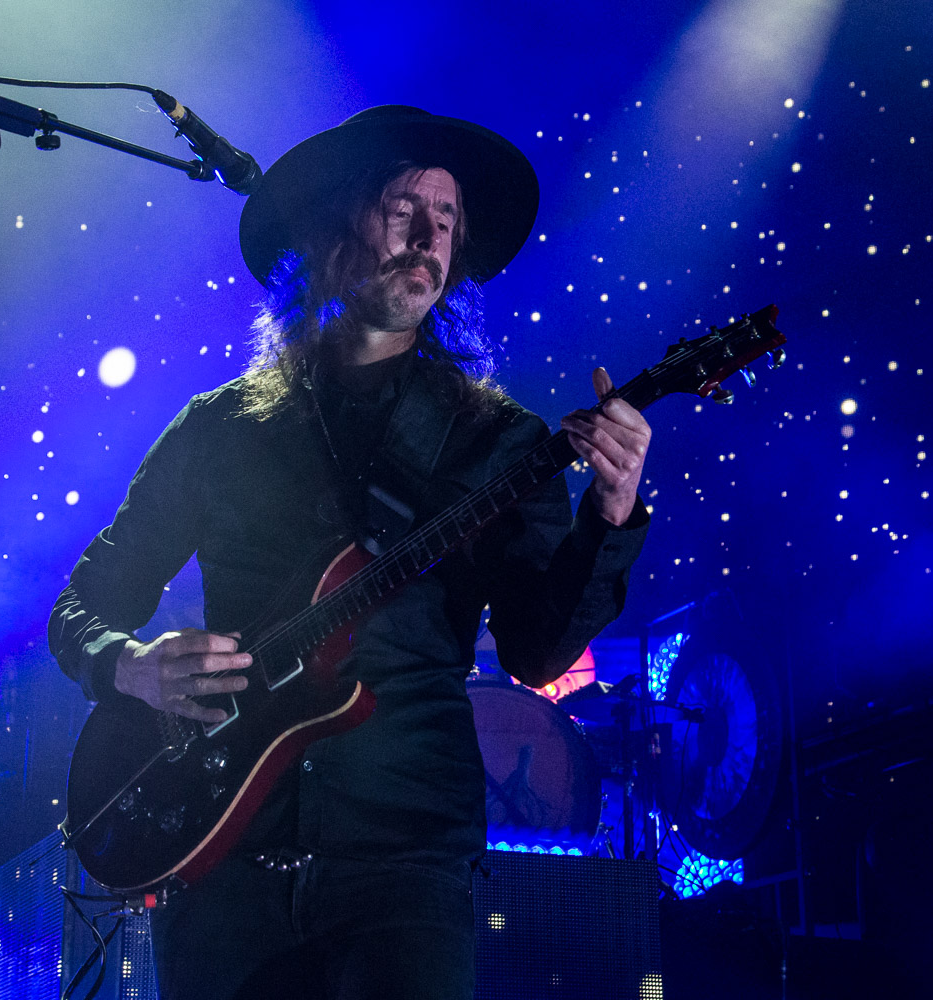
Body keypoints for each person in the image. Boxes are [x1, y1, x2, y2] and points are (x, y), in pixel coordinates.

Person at [49, 106, 652, 1000]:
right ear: (333, 228)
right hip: (221, 855)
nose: (429, 239)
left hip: (405, 868)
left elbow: (537, 651)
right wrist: (128, 666)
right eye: (403, 209)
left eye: (446, 220)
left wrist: (610, 511)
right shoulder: (219, 429)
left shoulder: (498, 442)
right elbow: (82, 606)